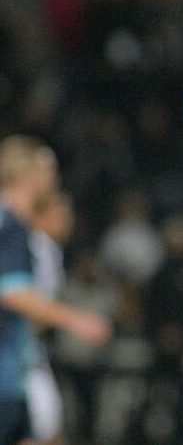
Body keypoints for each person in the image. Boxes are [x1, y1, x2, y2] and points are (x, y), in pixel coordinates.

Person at [0, 135, 112, 445]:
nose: (54, 179)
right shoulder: (10, 225)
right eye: (47, 171)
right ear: (28, 176)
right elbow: (12, 292)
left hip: (17, 370)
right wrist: (77, 321)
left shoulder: (18, 227)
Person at [25, 191, 74, 445]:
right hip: (19, 355)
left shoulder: (48, 248)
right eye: (62, 214)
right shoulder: (39, 247)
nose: (69, 221)